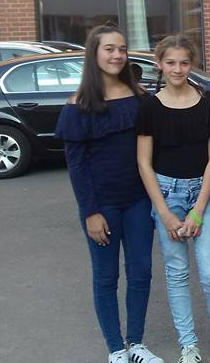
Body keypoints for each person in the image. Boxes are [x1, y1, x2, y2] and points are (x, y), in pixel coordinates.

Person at [54, 24, 163, 363]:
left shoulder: (140, 98)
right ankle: (116, 349)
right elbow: (77, 166)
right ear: (94, 54)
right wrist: (90, 212)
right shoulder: (78, 105)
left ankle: (137, 344)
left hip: (139, 200)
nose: (117, 55)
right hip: (102, 205)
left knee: (141, 272)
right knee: (106, 277)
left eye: (122, 49)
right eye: (109, 49)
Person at [137, 35, 210, 363]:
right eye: (170, 63)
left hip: (202, 194)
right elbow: (144, 163)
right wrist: (164, 213)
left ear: (191, 64)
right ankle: (188, 345)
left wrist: (198, 210)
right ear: (159, 64)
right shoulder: (149, 107)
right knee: (177, 273)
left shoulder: (207, 103)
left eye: (183, 62)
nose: (177, 69)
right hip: (166, 194)